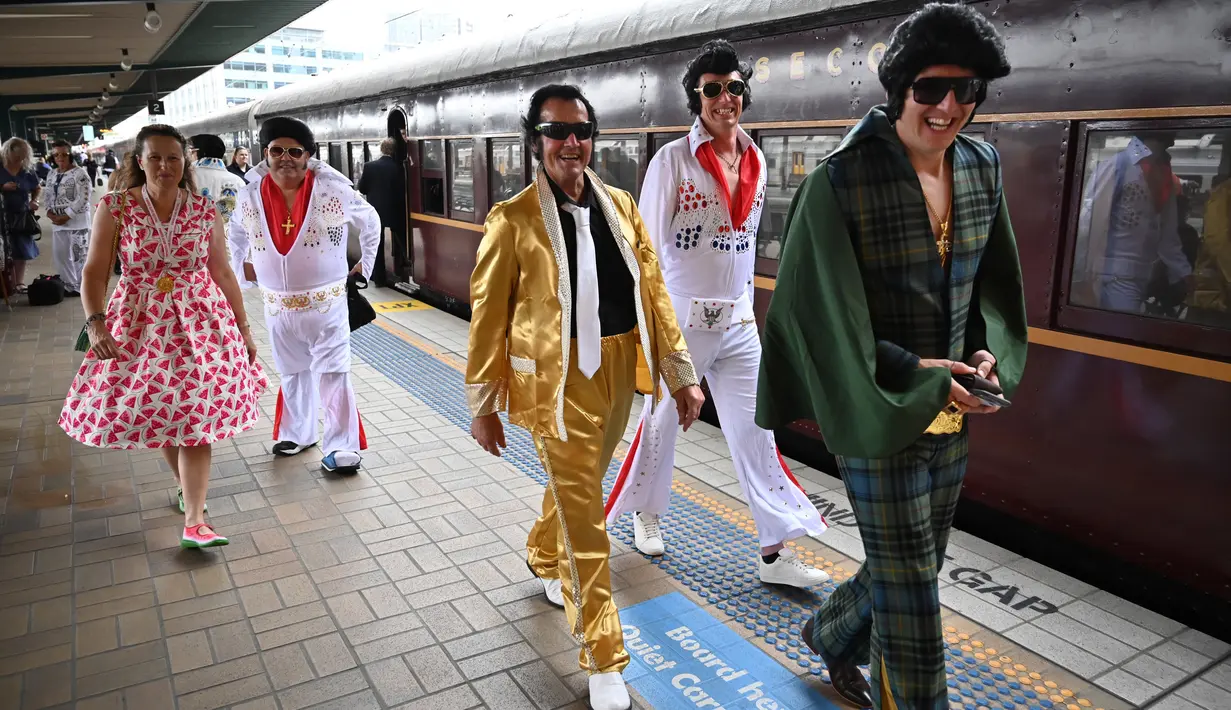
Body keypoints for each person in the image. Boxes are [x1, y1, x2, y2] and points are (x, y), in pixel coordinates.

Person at [755, 4, 1028, 708]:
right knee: (910, 591)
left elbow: (992, 288)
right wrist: (914, 371)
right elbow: (818, 320)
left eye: (967, 91)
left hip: (953, 414)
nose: (949, 107)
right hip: (875, 408)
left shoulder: (980, 167)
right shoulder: (839, 182)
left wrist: (982, 356)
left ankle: (830, 633)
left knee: (914, 563)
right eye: (931, 89)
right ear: (899, 86)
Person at [467, 84, 704, 710]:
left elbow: (653, 293)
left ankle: (545, 554)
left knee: (588, 481)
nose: (572, 143)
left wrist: (680, 373)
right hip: (558, 378)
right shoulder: (512, 219)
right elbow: (488, 315)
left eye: (582, 131)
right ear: (535, 139)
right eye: (557, 131)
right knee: (585, 509)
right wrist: (483, 401)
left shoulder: (620, 205)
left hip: (621, 364)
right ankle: (603, 653)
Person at [605, 40, 828, 588]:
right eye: (711, 89)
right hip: (683, 320)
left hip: (739, 321)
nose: (724, 98)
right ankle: (646, 512)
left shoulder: (755, 157)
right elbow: (648, 254)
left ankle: (775, 554)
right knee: (662, 421)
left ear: (743, 94)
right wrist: (659, 337)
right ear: (696, 99)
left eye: (733, 87)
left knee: (757, 431)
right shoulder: (671, 161)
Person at [59, 124, 266, 549]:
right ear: (140, 161)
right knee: (163, 410)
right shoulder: (115, 206)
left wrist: (244, 329)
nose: (165, 166)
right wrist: (95, 321)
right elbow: (94, 271)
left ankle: (195, 520)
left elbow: (222, 271)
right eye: (155, 157)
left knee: (194, 414)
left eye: (173, 158)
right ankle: (185, 488)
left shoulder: (204, 210)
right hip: (139, 321)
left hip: (201, 322)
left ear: (184, 162)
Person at [228, 116, 381, 474]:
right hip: (277, 307)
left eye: (294, 151)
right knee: (293, 371)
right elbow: (235, 234)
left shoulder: (333, 190)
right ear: (265, 154)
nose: (285, 158)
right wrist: (241, 272)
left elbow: (370, 220)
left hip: (326, 305)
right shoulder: (249, 193)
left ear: (308, 155)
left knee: (334, 372)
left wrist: (366, 265)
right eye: (276, 150)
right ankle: (298, 433)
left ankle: (343, 447)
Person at [1074, 132, 1192, 313]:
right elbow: (1089, 223)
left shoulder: (1163, 173)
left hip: (1143, 276)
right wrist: (1080, 275)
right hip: (1113, 275)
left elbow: (1167, 233)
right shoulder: (1118, 165)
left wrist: (1183, 273)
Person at [45, 139, 94, 296]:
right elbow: (48, 195)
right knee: (61, 255)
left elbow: (84, 197)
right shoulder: (52, 173)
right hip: (58, 223)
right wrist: (48, 212)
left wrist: (67, 216)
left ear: (70, 155)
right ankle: (69, 286)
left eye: (64, 154)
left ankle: (84, 287)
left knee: (79, 257)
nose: (60, 157)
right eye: (56, 154)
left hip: (77, 223)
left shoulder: (80, 173)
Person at [357, 137, 407, 287]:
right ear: (394, 151)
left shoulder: (369, 166)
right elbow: (402, 190)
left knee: (376, 246)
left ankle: (379, 279)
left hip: (375, 211)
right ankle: (407, 266)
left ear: (381, 149)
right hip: (396, 211)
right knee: (403, 239)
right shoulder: (398, 167)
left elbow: (362, 188)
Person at [1, 137, 43, 294]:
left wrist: (35, 201)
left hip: (22, 215)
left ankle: (19, 282)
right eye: (17, 156)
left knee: (21, 249)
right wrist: (2, 187)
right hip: (2, 216)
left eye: (23, 156)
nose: (19, 159)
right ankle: (6, 283)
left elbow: (37, 188)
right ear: (7, 152)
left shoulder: (27, 170)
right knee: (4, 248)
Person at [190, 134, 245, 237]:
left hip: (196, 243)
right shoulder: (238, 181)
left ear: (197, 152)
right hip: (230, 244)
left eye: (190, 151)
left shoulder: (188, 178)